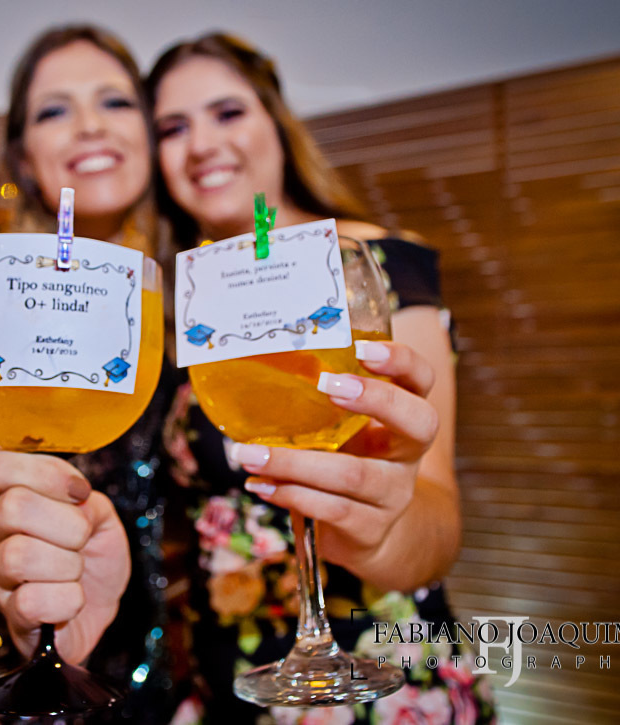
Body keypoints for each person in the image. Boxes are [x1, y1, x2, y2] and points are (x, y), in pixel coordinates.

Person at [146, 33, 497, 723]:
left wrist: (383, 534)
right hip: (235, 689)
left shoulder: (375, 264)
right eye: (173, 127)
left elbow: (437, 516)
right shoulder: (182, 310)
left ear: (277, 123)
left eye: (227, 112)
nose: (201, 144)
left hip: (378, 683)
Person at [0, 25, 181, 724]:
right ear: (24, 155)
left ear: (149, 132)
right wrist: (12, 576)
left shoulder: (184, 292)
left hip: (140, 637)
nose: (89, 124)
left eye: (115, 101)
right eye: (55, 109)